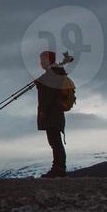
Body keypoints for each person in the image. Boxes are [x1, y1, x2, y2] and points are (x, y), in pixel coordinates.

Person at [34, 50, 69, 178]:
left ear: (48, 60)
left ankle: (58, 169)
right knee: (55, 141)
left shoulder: (51, 75)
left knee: (55, 142)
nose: (41, 62)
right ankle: (59, 168)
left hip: (51, 114)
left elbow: (47, 96)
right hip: (56, 113)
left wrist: (43, 111)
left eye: (43, 59)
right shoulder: (55, 73)